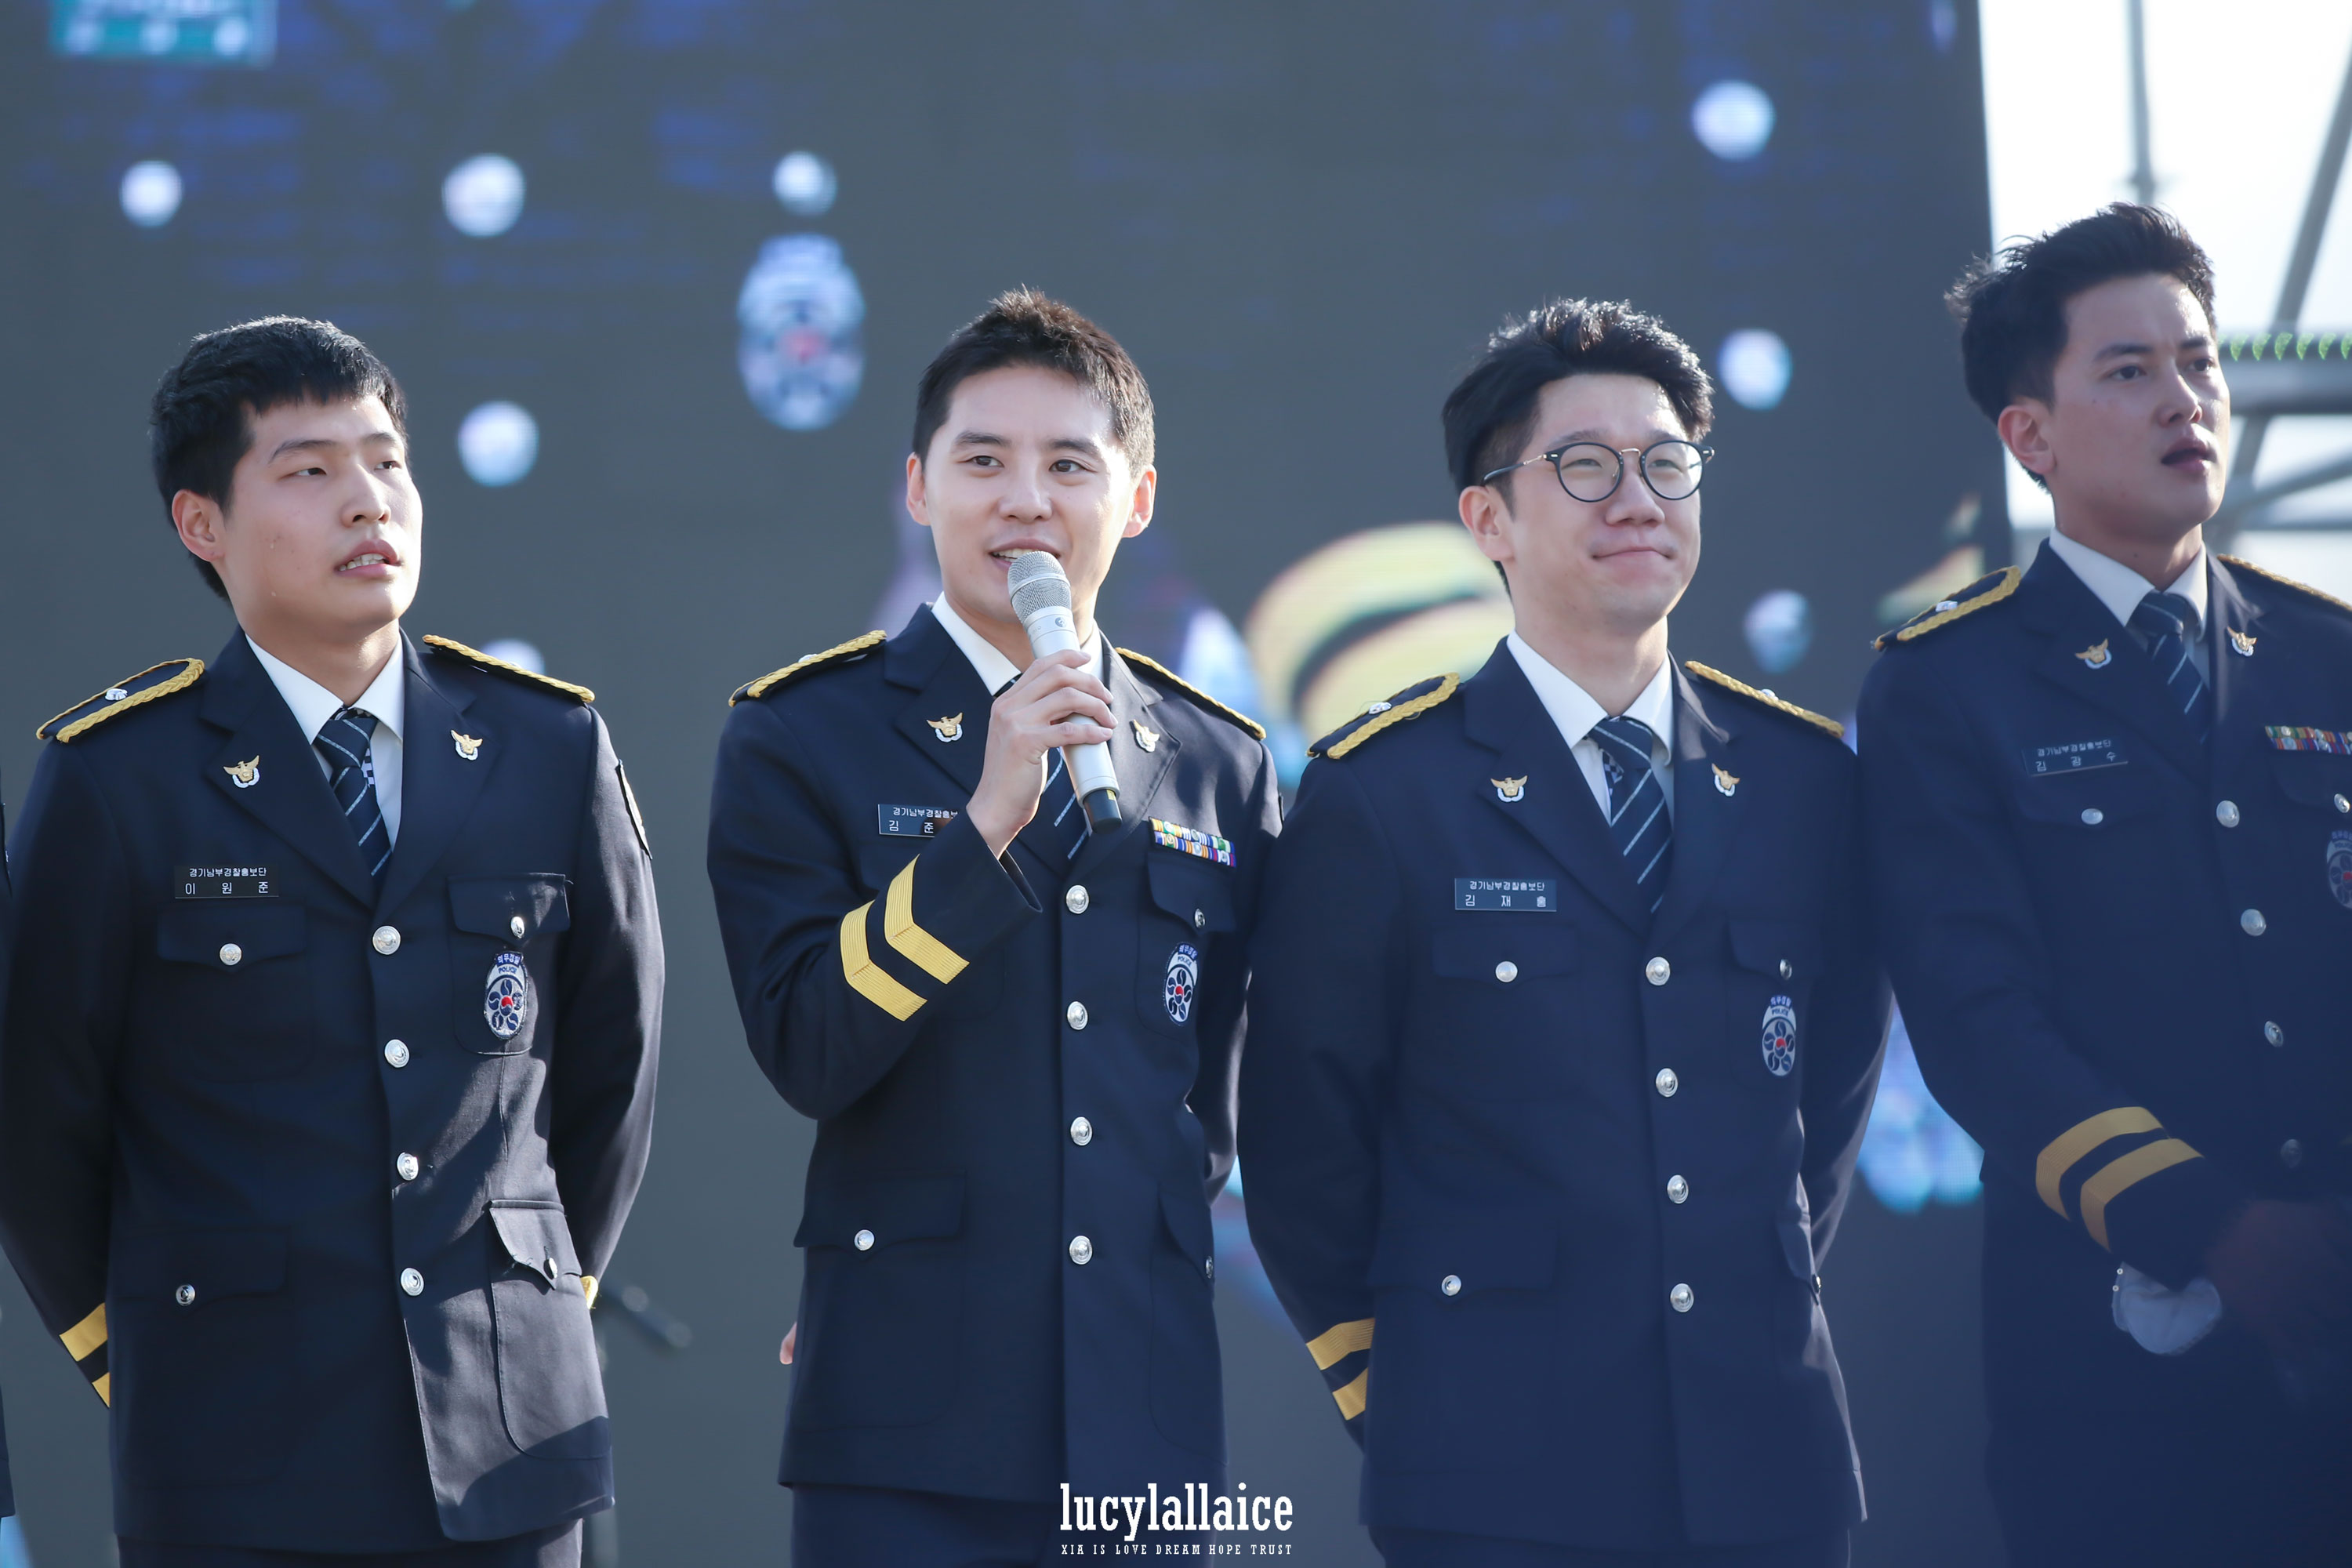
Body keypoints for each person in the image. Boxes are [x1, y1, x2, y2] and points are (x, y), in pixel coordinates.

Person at [0, 317, 663, 1567]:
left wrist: (521, 1314)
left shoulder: (547, 748)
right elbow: (37, 1122)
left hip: (509, 1459)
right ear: (203, 523)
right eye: (309, 470)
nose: (369, 500)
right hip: (233, 1457)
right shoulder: (119, 779)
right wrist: (159, 1354)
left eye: (387, 462)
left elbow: (609, 1078)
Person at [1240, 299, 1890, 1567]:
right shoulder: (1385, 793)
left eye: (1667, 464)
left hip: (1765, 1464)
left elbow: (1826, 1103)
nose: (1638, 500)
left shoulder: (1805, 782)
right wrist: (1409, 1390)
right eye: (1585, 467)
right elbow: (1303, 1145)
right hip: (1491, 1476)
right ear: (1488, 519)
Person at [706, 289, 1279, 1566]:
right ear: (919, 489)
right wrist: (980, 832)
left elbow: (1208, 1106)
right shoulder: (804, 733)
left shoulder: (1216, 760)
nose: (1026, 500)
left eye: (1069, 464)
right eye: (983, 462)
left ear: (1136, 500)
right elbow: (807, 1043)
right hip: (905, 1415)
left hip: (1145, 1422)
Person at [1859, 203, 2352, 1566]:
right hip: (2123, 1368)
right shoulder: (1948, 685)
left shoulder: (2327, 654)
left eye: (2200, 362)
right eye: (2130, 371)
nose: (2185, 400)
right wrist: (2214, 1227)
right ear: (2031, 437)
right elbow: (1978, 1022)